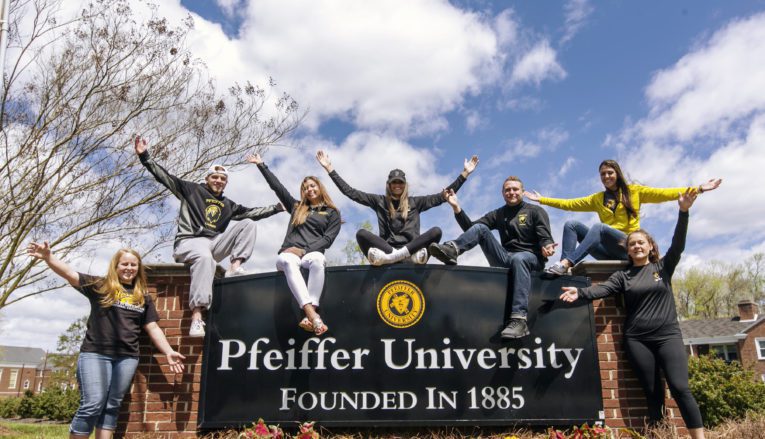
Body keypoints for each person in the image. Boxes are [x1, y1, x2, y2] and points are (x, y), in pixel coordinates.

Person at [559, 189, 705, 439]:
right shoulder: (623, 276)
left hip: (668, 336)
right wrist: (579, 294)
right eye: (632, 244)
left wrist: (683, 211)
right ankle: (660, 435)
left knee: (681, 388)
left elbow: (678, 243)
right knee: (652, 394)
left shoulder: (663, 268)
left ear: (650, 247)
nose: (637, 246)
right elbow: (602, 289)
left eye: (641, 243)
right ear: (627, 250)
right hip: (637, 340)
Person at [26, 243, 185, 439]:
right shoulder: (101, 286)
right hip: (95, 354)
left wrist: (168, 351)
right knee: (93, 403)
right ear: (116, 266)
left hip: (127, 358)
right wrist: (49, 257)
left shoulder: (142, 297)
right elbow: (70, 274)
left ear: (138, 268)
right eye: (124, 264)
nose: (129, 268)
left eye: (133, 265)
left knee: (112, 406)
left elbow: (152, 327)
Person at [135, 136, 283, 337]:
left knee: (247, 224)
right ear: (207, 178)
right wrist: (145, 156)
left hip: (214, 244)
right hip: (189, 242)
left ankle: (235, 267)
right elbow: (164, 177)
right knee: (205, 258)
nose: (218, 181)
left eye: (223, 179)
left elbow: (252, 213)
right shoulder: (191, 190)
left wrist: (277, 208)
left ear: (226, 183)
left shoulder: (228, 205)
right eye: (215, 177)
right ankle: (197, 317)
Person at [524, 159, 721, 276]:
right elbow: (569, 204)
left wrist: (699, 189)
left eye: (610, 173)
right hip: (606, 249)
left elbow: (666, 193)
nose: (606, 177)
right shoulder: (598, 199)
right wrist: (542, 200)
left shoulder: (635, 192)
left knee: (599, 228)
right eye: (602, 174)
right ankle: (564, 267)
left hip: (627, 247)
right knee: (571, 224)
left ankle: (568, 263)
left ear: (617, 174)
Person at [429, 177, 557, 339]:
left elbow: (545, 236)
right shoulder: (499, 213)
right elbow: (473, 230)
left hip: (531, 258)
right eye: (507, 190)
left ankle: (519, 320)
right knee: (481, 228)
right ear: (503, 193)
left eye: (515, 189)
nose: (511, 192)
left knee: (519, 259)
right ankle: (452, 249)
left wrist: (547, 246)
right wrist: (457, 208)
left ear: (523, 192)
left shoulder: (535, 211)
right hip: (506, 258)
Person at [316, 149, 479, 265]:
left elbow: (444, 196)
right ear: (389, 185)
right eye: (394, 182)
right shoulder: (379, 201)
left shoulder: (416, 202)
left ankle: (398, 257)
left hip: (413, 250)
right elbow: (350, 192)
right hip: (386, 250)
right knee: (361, 233)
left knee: (436, 231)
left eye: (400, 182)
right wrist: (330, 169)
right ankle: (395, 257)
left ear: (404, 184)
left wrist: (464, 175)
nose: (397, 185)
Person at [247, 153, 341, 336]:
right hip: (288, 254)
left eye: (312, 186)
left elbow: (327, 240)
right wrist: (261, 165)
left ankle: (310, 313)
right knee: (289, 260)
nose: (309, 190)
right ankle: (311, 313)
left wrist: (304, 250)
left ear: (319, 188)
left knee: (318, 259)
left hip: (309, 254)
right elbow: (277, 187)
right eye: (305, 188)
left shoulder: (332, 212)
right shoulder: (297, 207)